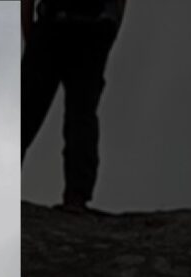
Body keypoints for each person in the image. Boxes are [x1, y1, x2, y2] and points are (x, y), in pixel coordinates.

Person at [22, 0, 127, 212]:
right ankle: (76, 197)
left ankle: (76, 196)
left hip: (82, 28)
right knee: (73, 114)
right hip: (72, 27)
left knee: (77, 116)